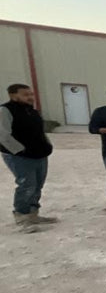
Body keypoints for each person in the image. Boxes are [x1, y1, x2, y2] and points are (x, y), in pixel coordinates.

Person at [0, 83, 58, 232]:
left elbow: (40, 132)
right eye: (26, 94)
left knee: (38, 184)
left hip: (39, 154)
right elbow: (3, 135)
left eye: (31, 94)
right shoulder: (5, 110)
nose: (30, 97)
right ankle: (22, 217)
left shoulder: (32, 111)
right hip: (20, 156)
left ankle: (33, 214)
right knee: (26, 185)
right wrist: (20, 150)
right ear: (14, 96)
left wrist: (47, 145)